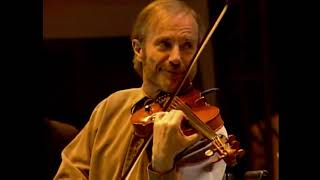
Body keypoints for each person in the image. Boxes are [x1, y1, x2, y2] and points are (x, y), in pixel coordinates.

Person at [54, 0, 232, 179]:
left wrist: (162, 165)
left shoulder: (206, 132)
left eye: (187, 46)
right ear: (139, 49)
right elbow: (69, 174)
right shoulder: (111, 107)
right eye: (165, 44)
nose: (176, 58)